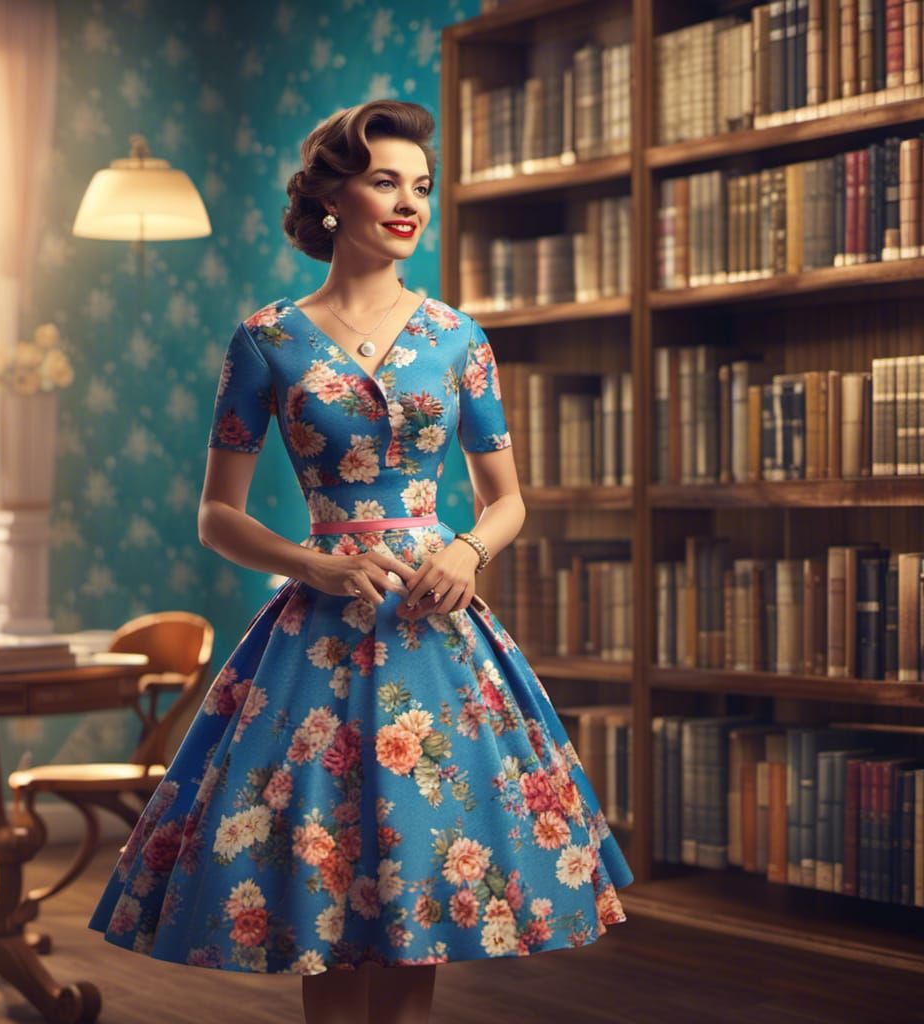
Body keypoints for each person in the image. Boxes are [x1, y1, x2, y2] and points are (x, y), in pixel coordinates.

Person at [87, 99, 634, 1024]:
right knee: (327, 881)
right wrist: (315, 566)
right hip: (319, 635)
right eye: (386, 181)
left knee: (425, 880)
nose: (410, 202)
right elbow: (217, 516)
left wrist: (467, 551)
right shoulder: (267, 340)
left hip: (435, 629)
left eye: (422, 185)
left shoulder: (458, 339)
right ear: (332, 198)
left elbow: (508, 501)